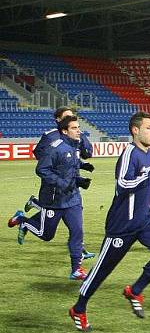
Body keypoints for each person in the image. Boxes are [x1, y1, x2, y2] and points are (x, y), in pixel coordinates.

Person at [68, 112, 150, 331]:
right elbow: (123, 184)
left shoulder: (148, 151)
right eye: (148, 128)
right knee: (101, 272)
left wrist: (148, 194)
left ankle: (135, 290)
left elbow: (141, 179)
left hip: (144, 219)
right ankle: (78, 308)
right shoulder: (129, 153)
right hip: (122, 225)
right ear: (135, 130)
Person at [8, 115, 94, 280]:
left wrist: (79, 180)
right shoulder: (54, 148)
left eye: (78, 127)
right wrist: (61, 183)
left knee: (77, 232)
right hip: (54, 201)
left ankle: (76, 269)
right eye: (75, 128)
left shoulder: (76, 146)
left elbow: (70, 169)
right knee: (46, 234)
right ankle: (23, 221)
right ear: (64, 131)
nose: (79, 131)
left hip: (73, 199)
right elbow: (42, 170)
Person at [23, 106, 95, 260]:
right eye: (67, 117)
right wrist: (57, 168)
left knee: (76, 224)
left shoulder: (76, 136)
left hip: (72, 185)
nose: (71, 120)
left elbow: (86, 152)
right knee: (48, 231)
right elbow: (41, 158)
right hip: (54, 187)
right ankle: (33, 208)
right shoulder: (50, 137)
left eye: (73, 117)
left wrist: (82, 163)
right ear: (58, 121)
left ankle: (78, 254)